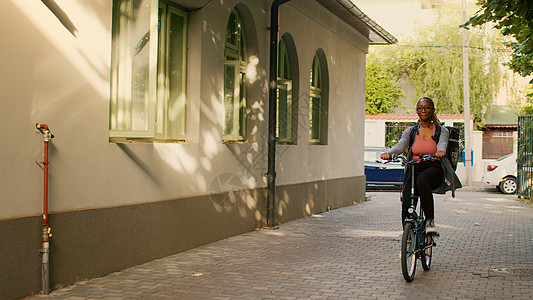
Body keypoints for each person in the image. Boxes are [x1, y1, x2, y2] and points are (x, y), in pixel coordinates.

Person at [380, 97, 449, 235]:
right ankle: (408, 235)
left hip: (433, 167)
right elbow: (401, 145)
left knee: (422, 180)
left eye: (427, 107)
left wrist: (440, 151)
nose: (423, 110)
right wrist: (389, 153)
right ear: (417, 111)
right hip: (413, 167)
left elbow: (442, 144)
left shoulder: (442, 131)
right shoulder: (411, 131)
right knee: (406, 200)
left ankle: (430, 221)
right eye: (420, 108)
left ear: (432, 110)